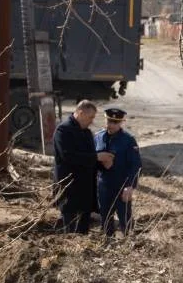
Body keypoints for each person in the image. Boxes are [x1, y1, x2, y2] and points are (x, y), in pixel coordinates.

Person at [52, 100, 110, 233]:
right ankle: (70, 246)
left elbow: (90, 156)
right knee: (70, 220)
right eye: (90, 117)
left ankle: (82, 246)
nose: (92, 121)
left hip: (85, 184)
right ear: (80, 113)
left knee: (84, 220)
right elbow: (68, 156)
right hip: (69, 183)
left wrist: (103, 163)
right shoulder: (63, 130)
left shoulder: (87, 133)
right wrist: (96, 157)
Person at [94, 106, 142, 235]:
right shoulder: (98, 137)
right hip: (104, 184)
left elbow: (136, 165)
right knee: (105, 216)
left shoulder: (128, 140)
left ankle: (129, 242)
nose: (112, 125)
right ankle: (108, 242)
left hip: (122, 184)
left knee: (125, 217)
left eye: (115, 122)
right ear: (105, 120)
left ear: (121, 122)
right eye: (109, 121)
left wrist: (130, 186)